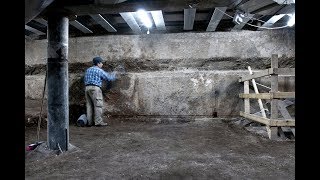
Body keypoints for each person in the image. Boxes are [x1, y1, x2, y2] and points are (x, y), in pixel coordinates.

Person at [84, 56, 118, 127]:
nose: (102, 64)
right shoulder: (99, 70)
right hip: (95, 88)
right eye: (101, 63)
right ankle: (98, 122)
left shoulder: (88, 70)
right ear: (98, 63)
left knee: (89, 106)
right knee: (98, 105)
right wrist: (114, 74)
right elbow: (108, 78)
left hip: (87, 88)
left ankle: (89, 122)